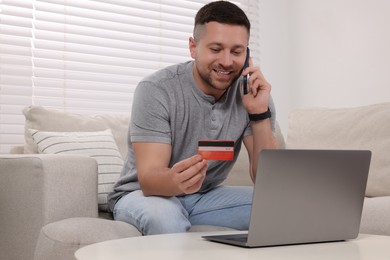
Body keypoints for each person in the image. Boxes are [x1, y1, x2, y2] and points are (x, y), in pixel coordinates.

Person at [108, 0, 277, 235]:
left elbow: (270, 183)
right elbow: (149, 179)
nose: (227, 62)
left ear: (247, 53)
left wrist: (259, 115)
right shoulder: (156, 89)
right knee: (165, 217)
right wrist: (177, 180)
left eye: (237, 51)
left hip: (204, 197)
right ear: (193, 47)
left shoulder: (254, 94)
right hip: (144, 195)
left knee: (280, 207)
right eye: (216, 49)